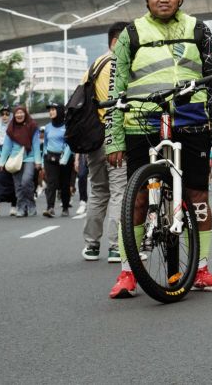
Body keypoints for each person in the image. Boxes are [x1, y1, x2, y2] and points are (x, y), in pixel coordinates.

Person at [106, 0, 212, 298]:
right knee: (138, 198)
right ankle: (128, 273)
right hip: (141, 122)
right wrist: (114, 138)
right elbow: (116, 90)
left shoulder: (199, 29)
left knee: (197, 196)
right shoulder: (131, 34)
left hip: (191, 120)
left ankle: (200, 269)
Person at [82, 22, 127, 262]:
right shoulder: (122, 65)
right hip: (115, 137)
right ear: (116, 41)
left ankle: (91, 246)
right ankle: (115, 247)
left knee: (98, 192)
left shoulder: (93, 67)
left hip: (94, 139)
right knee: (120, 192)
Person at [0, 106, 42, 217]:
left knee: (26, 181)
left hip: (29, 158)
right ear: (14, 115)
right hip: (15, 160)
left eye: (21, 113)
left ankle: (31, 204)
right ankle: (21, 207)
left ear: (25, 114)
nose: (19, 115)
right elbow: (6, 147)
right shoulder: (11, 128)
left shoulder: (32, 126)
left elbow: (36, 144)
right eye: (17, 113)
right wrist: (1, 162)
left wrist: (38, 161)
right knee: (18, 185)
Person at [41, 103, 74, 217]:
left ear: (60, 111)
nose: (51, 112)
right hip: (50, 157)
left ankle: (65, 207)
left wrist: (64, 158)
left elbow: (70, 144)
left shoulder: (67, 126)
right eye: (50, 110)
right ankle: (50, 208)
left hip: (65, 158)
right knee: (51, 183)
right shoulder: (47, 127)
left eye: (53, 109)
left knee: (65, 184)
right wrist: (43, 159)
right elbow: (45, 144)